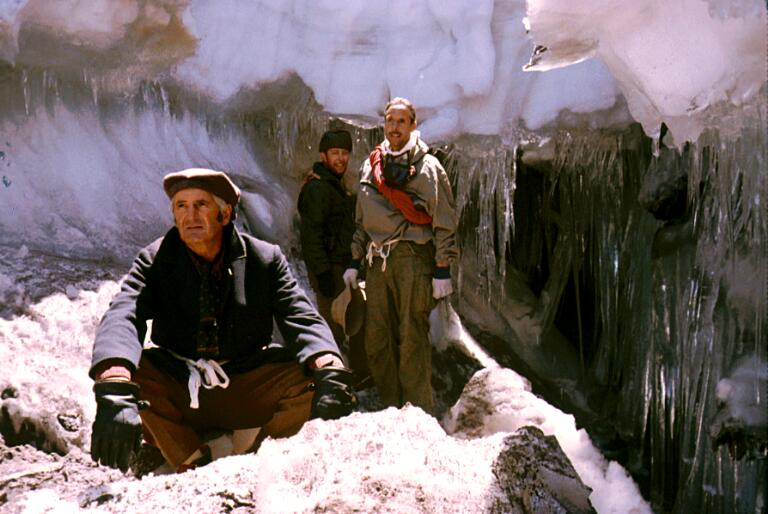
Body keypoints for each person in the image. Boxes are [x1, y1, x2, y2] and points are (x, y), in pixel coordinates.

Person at [89, 168, 357, 474]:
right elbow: (124, 312)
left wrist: (329, 368)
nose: (190, 216)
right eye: (181, 206)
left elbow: (301, 317)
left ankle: (259, 461)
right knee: (127, 377)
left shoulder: (264, 259)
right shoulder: (155, 259)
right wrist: (114, 381)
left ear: (225, 214)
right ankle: (190, 461)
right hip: (180, 383)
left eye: (201, 204)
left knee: (314, 380)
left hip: (246, 382)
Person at [343, 97, 459, 414]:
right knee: (376, 339)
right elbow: (361, 219)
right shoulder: (372, 165)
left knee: (411, 339)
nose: (394, 127)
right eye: (390, 121)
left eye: (401, 121)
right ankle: (390, 407)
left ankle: (418, 414)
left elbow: (444, 221)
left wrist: (442, 269)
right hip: (376, 261)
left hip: (412, 258)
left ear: (413, 125)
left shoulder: (428, 167)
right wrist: (355, 261)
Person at [297, 129, 370, 384]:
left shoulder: (334, 186)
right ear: (323, 155)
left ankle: (356, 376)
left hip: (342, 269)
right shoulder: (318, 188)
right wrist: (322, 274)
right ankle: (328, 385)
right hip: (329, 270)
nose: (340, 159)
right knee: (332, 331)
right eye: (335, 153)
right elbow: (311, 236)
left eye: (344, 153)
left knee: (353, 321)